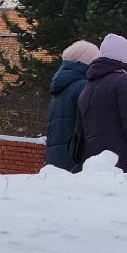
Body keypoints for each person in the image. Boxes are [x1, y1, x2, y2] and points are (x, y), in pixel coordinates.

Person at [77, 34, 127, 172]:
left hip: (93, 163)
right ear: (123, 58)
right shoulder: (125, 82)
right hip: (123, 163)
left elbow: (80, 130)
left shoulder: (88, 87)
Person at [44, 40, 100, 170]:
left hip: (55, 159)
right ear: (88, 61)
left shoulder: (60, 89)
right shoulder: (83, 86)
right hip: (74, 159)